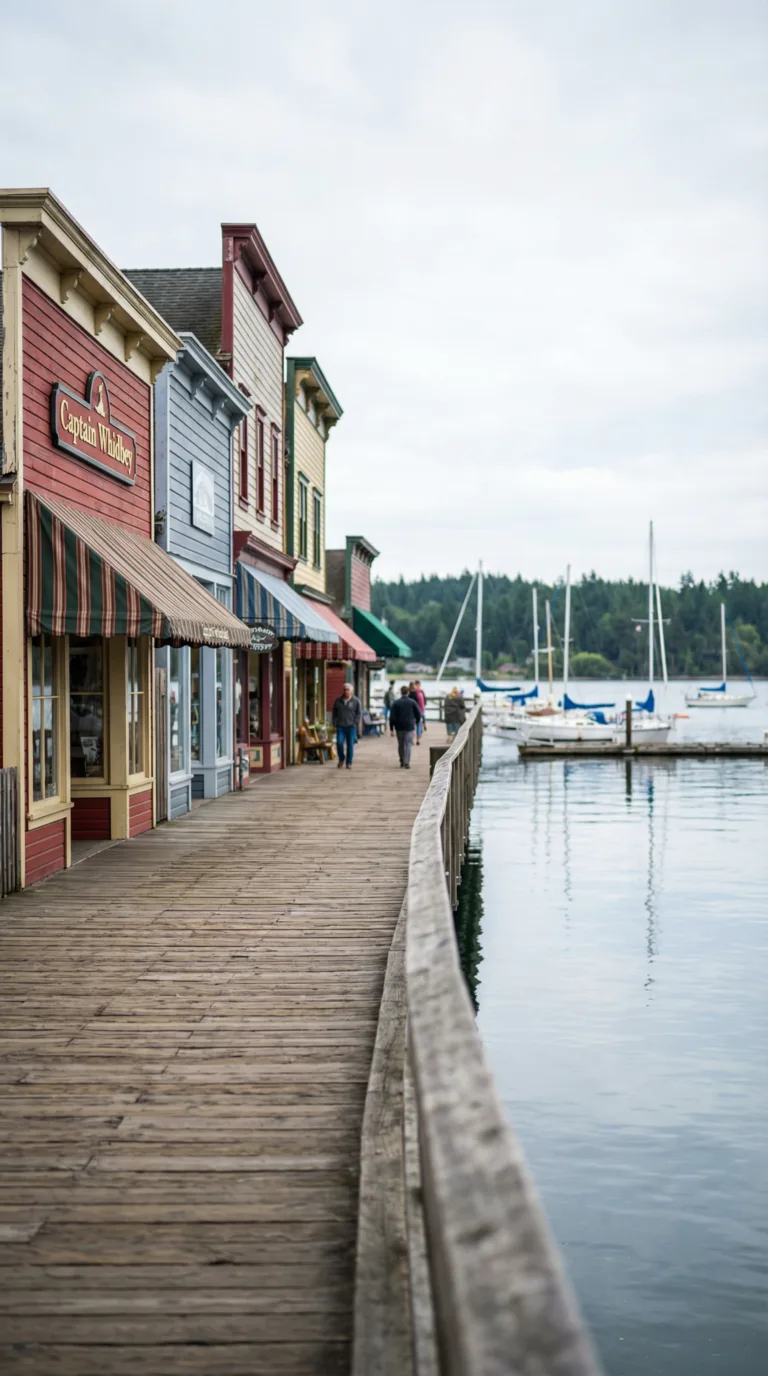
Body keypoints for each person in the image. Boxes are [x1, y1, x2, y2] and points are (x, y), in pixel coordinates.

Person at [389, 685, 423, 768]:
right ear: (408, 692)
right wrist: (417, 722)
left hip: (399, 726)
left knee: (400, 744)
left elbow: (392, 717)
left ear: (401, 692)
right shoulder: (412, 702)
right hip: (409, 726)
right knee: (408, 744)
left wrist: (391, 728)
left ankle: (401, 760)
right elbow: (419, 714)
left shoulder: (396, 703)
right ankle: (406, 762)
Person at [332, 682, 362, 769]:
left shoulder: (356, 701)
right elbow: (334, 712)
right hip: (340, 726)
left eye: (348, 690)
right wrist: (334, 722)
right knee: (339, 743)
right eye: (344, 689)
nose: (346, 691)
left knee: (350, 745)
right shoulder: (338, 700)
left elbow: (359, 713)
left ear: (351, 691)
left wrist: (355, 722)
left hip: (351, 727)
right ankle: (341, 758)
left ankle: (349, 762)